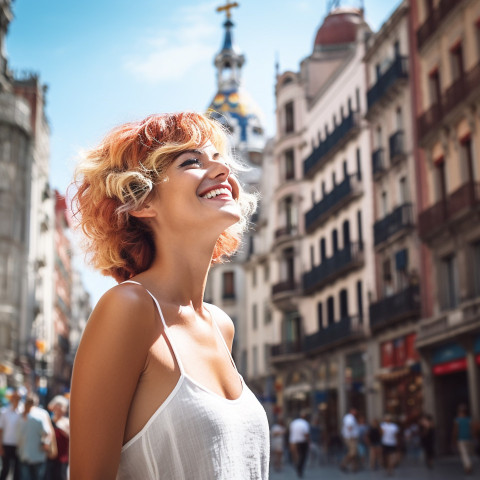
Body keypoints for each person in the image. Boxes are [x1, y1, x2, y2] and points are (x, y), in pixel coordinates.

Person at [69, 112, 269, 480]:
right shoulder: (129, 308)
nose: (222, 170)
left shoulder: (221, 326)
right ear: (142, 201)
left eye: (220, 159)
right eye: (191, 161)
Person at [16, 393, 56, 480]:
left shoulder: (22, 415)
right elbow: (48, 432)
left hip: (26, 453)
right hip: (36, 453)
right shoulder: (40, 414)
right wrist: (46, 444)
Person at [0, 388, 22, 480]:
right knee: (5, 469)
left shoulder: (23, 412)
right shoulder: (4, 412)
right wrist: (0, 446)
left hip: (19, 445)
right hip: (7, 444)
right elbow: (1, 429)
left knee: (17, 470)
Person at [46, 396, 70, 480]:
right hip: (50, 457)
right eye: (57, 405)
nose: (59, 408)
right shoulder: (49, 421)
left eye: (61, 406)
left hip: (62, 459)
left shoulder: (67, 422)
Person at [452, 404, 474, 474]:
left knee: (464, 454)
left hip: (461, 439)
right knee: (468, 453)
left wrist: (454, 439)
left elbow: (455, 431)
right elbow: (472, 429)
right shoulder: (469, 419)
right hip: (468, 438)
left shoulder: (457, 420)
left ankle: (467, 466)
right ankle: (468, 465)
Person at [288, 411, 310, 478]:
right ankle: (299, 468)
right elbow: (306, 434)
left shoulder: (293, 423)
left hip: (293, 441)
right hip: (302, 442)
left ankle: (297, 466)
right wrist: (309, 442)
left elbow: (290, 432)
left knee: (296, 456)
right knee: (302, 456)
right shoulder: (305, 423)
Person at [340, 407, 359, 472]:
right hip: (350, 438)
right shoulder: (350, 418)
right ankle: (343, 464)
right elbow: (349, 427)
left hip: (350, 437)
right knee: (353, 452)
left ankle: (354, 467)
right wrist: (351, 436)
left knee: (354, 452)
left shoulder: (350, 418)